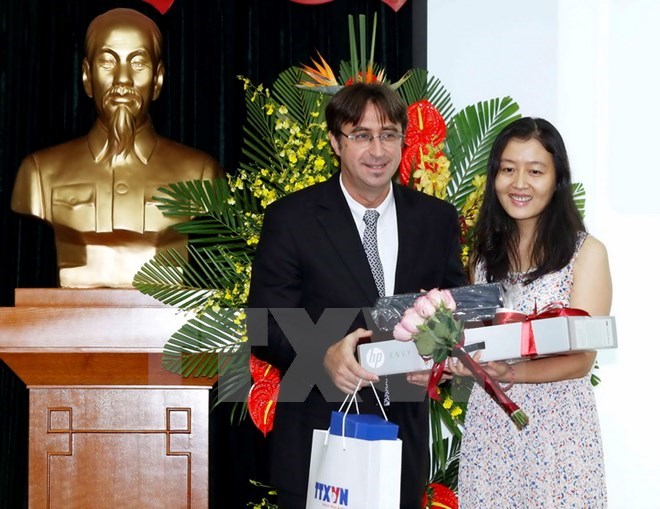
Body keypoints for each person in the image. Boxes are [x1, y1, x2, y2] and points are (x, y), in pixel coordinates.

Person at [248, 83, 467, 508]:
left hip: (402, 443)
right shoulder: (291, 219)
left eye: (388, 134)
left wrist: (441, 360)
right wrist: (321, 354)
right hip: (320, 440)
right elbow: (264, 325)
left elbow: (453, 311)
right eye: (361, 135)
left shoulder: (435, 220)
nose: (377, 150)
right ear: (335, 141)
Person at [449, 117, 610, 507]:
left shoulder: (585, 253)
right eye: (508, 169)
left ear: (556, 180)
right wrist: (452, 352)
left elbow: (582, 360)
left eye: (535, 171)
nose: (519, 183)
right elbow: (472, 336)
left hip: (559, 433)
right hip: (492, 427)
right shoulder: (484, 256)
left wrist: (512, 373)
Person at [11, 8, 222, 288]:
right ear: (87, 77)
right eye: (108, 62)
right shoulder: (39, 172)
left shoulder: (201, 172)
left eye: (138, 63)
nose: (123, 80)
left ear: (158, 80)